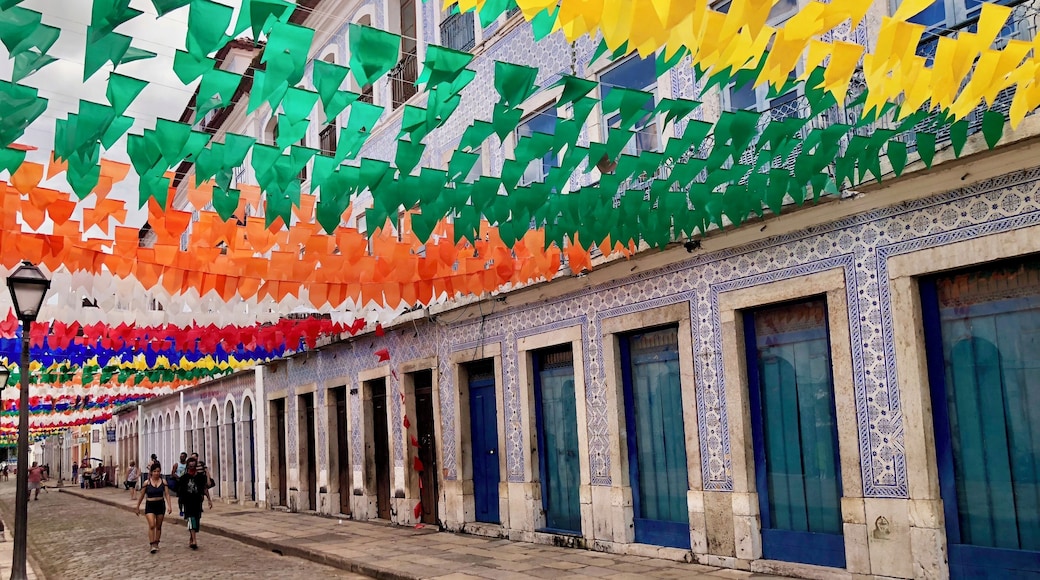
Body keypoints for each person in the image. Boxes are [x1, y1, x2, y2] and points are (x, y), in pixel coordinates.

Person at [134, 463, 171, 554]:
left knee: (158, 526)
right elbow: (142, 495)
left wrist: (169, 506)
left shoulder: (163, 482)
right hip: (150, 505)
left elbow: (167, 494)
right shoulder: (147, 483)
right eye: (154, 471)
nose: (156, 473)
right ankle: (151, 544)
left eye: (158, 471)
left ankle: (156, 543)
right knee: (151, 525)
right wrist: (137, 506)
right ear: (151, 472)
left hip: (160, 504)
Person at [179, 456, 213, 550]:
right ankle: (194, 540)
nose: (192, 468)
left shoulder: (200, 477)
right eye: (190, 466)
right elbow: (181, 492)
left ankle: (191, 537)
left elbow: (206, 487)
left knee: (196, 521)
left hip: (197, 502)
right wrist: (180, 504)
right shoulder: (184, 478)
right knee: (191, 519)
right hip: (188, 502)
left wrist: (209, 500)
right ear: (187, 466)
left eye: (193, 466)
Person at [170, 452, 188, 517]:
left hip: (186, 482)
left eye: (183, 456)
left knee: (187, 497)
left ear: (185, 457)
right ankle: (181, 510)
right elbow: (173, 473)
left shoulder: (187, 464)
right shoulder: (177, 464)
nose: (181, 457)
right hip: (179, 483)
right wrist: (178, 477)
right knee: (180, 497)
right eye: (181, 456)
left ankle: (186, 509)